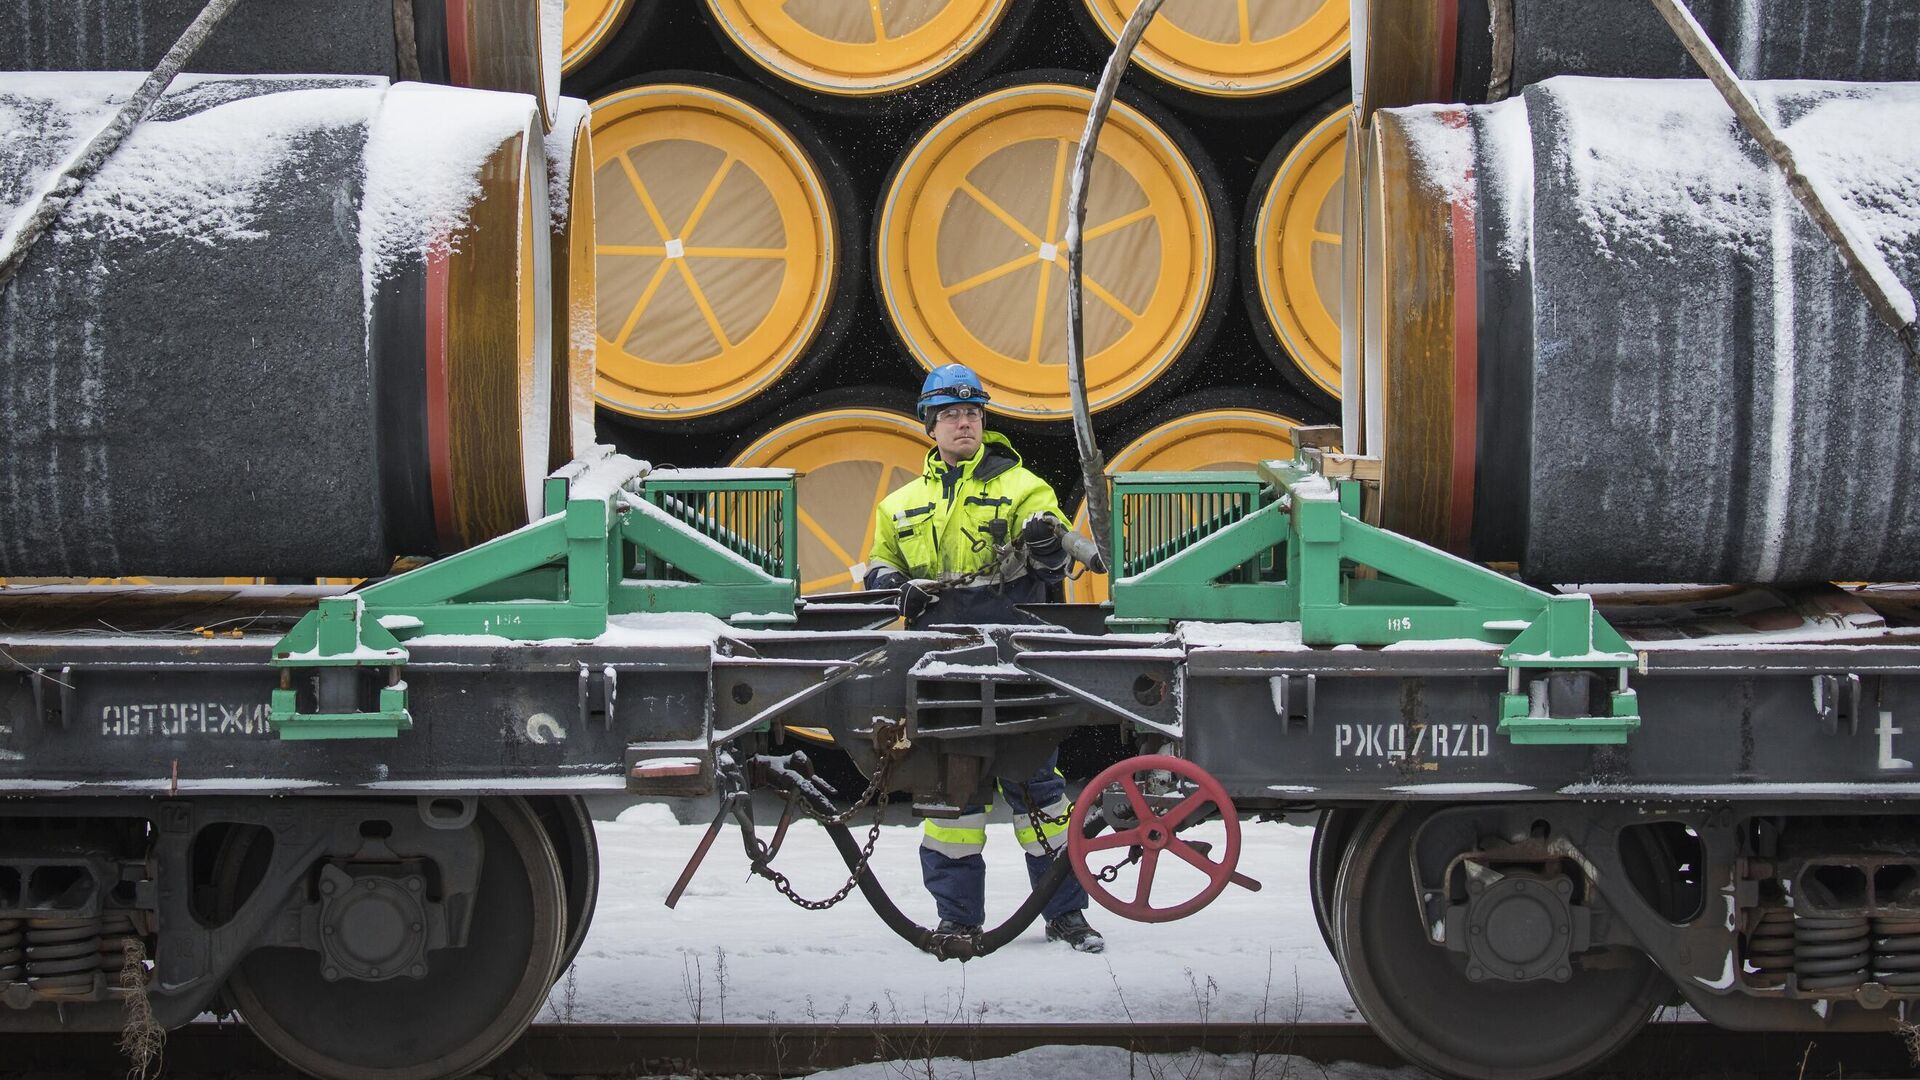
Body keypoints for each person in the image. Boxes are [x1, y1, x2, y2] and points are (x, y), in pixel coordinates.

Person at [863, 363, 1106, 953]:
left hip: (1015, 658)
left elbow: (1053, 563)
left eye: (971, 413)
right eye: (950, 415)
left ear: (983, 421)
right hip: (941, 664)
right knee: (954, 799)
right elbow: (876, 563)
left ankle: (1066, 915)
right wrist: (894, 584)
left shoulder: (1025, 488)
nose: (963, 423)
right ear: (930, 426)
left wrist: (1049, 548)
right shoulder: (901, 503)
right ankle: (957, 919)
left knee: (1038, 793)